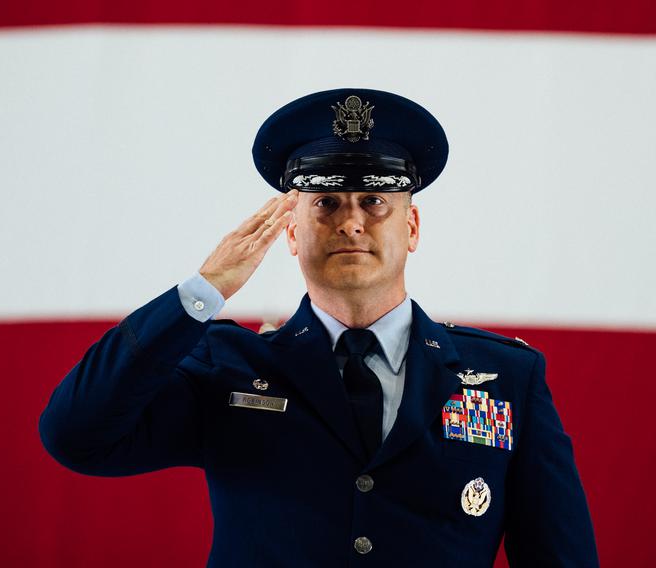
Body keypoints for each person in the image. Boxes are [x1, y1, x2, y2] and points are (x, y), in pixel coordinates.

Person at [39, 88, 599, 567]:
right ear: (290, 232)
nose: (351, 221)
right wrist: (203, 292)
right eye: (326, 202)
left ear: (412, 226)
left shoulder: (505, 378)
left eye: (375, 200)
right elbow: (76, 435)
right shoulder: (228, 366)